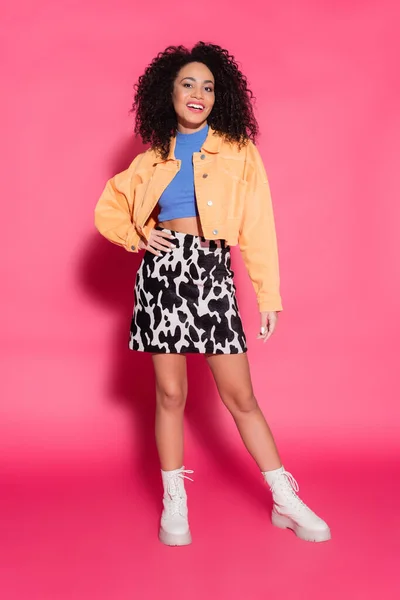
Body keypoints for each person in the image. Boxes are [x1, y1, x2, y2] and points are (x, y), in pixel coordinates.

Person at [94, 41, 331, 545]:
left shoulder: (238, 151)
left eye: (208, 86)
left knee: (240, 395)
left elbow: (258, 225)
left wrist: (269, 296)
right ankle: (174, 503)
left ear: (218, 98)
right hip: (162, 275)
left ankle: (285, 500)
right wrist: (139, 237)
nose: (199, 93)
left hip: (212, 275)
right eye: (188, 83)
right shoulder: (152, 158)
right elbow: (109, 208)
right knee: (170, 394)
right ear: (169, 91)